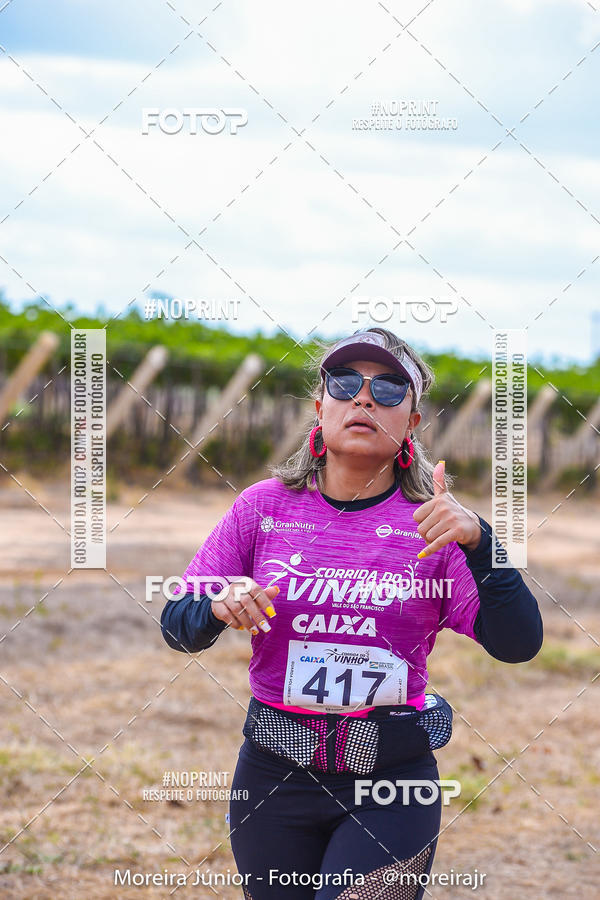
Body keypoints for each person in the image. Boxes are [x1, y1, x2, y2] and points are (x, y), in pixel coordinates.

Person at [160, 327, 543, 900]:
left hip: (393, 781)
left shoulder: (434, 525)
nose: (364, 399)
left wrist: (483, 543)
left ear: (412, 422)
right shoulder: (262, 508)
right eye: (345, 384)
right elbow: (177, 624)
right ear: (320, 407)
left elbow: (519, 642)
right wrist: (216, 607)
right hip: (273, 775)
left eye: (390, 389)